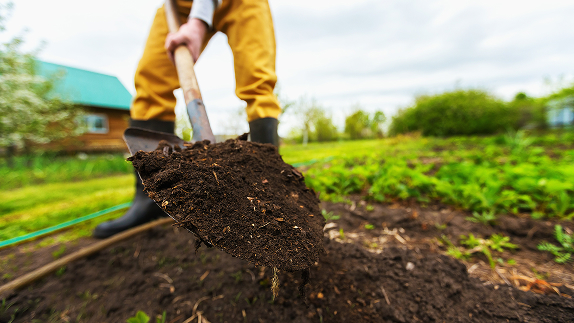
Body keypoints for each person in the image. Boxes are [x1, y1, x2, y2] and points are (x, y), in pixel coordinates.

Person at [94, 0, 281, 238]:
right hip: (180, 5)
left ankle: (271, 188)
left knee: (257, 82)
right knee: (151, 82)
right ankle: (153, 198)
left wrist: (198, 22)